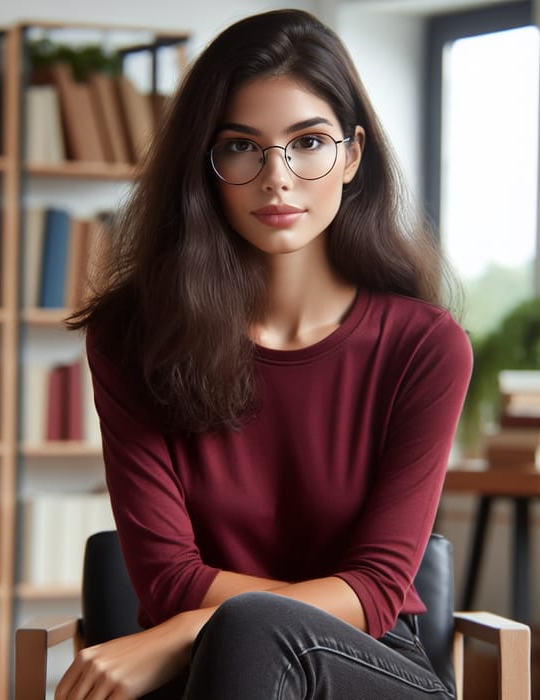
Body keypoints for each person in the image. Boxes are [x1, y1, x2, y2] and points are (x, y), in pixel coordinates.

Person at [59, 8, 473, 700]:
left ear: (352, 156)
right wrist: (201, 629)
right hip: (201, 672)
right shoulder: (135, 337)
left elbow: (375, 593)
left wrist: (184, 629)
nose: (276, 178)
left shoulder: (424, 346)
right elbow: (166, 579)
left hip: (371, 665)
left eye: (308, 142)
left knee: (249, 629)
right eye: (242, 147)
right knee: (245, 634)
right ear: (207, 166)